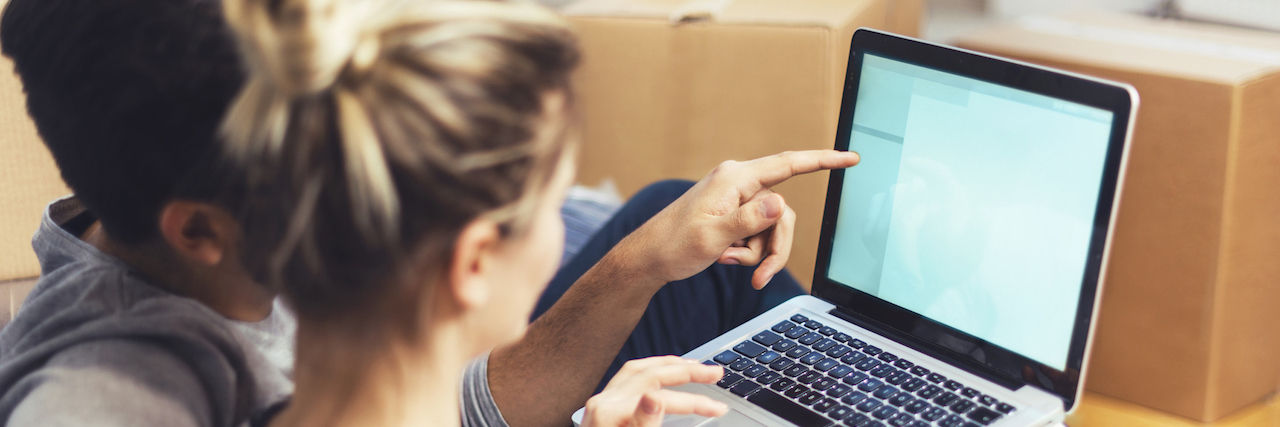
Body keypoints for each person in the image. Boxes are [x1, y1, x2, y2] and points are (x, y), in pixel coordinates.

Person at [0, 0, 859, 426]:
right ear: (202, 229)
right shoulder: (102, 398)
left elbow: (429, 400)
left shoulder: (268, 226)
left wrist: (640, 260)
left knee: (671, 218)